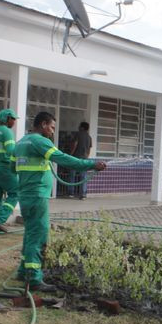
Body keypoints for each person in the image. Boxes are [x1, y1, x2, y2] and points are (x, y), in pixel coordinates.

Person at [14, 112, 106, 291]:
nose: (53, 131)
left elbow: (12, 166)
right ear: (43, 124)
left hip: (25, 194)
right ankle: (34, 278)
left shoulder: (20, 143)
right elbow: (63, 158)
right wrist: (91, 165)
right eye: (52, 127)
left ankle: (22, 271)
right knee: (38, 234)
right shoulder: (40, 142)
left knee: (30, 232)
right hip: (37, 194)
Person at [69, 122, 93, 199]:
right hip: (84, 158)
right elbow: (89, 149)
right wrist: (86, 157)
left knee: (72, 175)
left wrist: (70, 154)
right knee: (83, 177)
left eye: (79, 126)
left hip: (75, 158)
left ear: (82, 127)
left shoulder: (78, 134)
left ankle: (71, 193)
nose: (78, 127)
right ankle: (83, 194)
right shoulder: (89, 137)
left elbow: (75, 144)